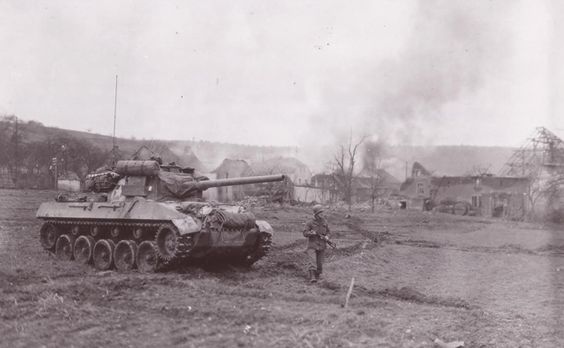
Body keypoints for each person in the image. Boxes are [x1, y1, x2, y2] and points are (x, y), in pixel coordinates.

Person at [303, 204, 330, 283]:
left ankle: (318, 275)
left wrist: (327, 237)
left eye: (322, 212)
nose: (322, 214)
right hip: (312, 245)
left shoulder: (325, 222)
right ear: (316, 214)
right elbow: (305, 233)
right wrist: (311, 233)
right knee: (312, 261)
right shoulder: (310, 222)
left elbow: (329, 232)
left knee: (320, 264)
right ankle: (312, 277)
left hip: (322, 245)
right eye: (320, 213)